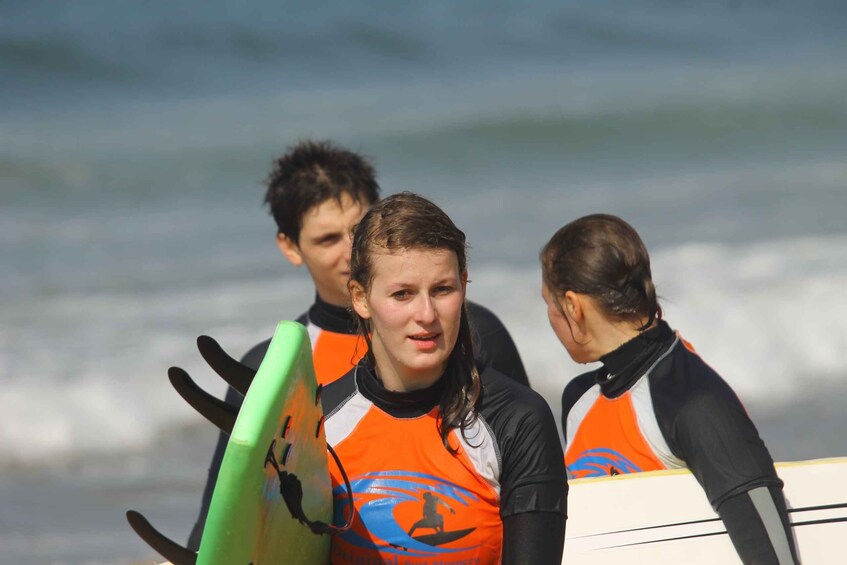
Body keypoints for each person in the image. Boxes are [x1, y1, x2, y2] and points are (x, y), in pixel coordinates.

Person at [187, 141, 529, 549]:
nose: (350, 251)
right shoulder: (273, 368)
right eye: (328, 239)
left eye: (357, 228)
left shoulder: (473, 331)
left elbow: (528, 482)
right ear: (290, 246)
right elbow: (226, 515)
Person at [321, 192, 566, 563]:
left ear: (464, 286)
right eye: (402, 294)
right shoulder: (320, 423)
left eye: (442, 290)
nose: (426, 314)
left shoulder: (517, 420)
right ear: (360, 297)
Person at [540, 213, 798, 564]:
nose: (550, 319)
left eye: (549, 305)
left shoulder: (693, 402)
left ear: (573, 306)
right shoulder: (578, 401)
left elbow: (775, 557)